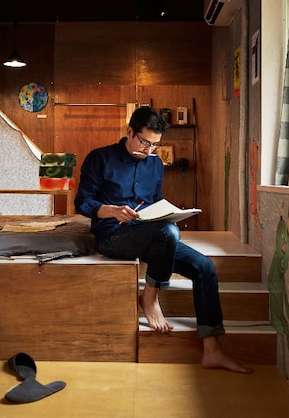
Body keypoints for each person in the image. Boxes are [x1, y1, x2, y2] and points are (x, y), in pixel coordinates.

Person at [75, 106, 252, 374]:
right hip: (113, 235)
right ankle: (150, 298)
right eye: (144, 142)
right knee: (168, 233)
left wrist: (168, 212)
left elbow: (155, 201)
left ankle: (212, 351)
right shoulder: (100, 158)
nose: (148, 151)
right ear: (129, 131)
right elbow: (82, 202)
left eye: (155, 146)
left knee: (205, 268)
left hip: (151, 235)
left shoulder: (155, 164)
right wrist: (111, 210)